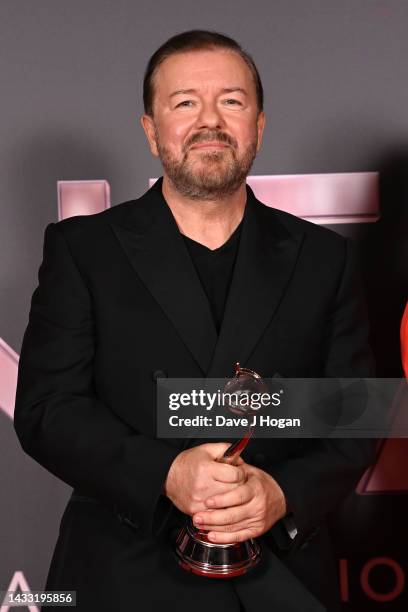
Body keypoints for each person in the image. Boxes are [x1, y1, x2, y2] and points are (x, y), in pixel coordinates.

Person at [14, 30, 376, 612]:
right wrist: (166, 474)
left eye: (231, 102)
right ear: (151, 129)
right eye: (185, 103)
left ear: (259, 125)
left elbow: (357, 411)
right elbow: (46, 409)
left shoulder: (323, 259)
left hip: (283, 579)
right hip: (122, 574)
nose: (210, 121)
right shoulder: (84, 251)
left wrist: (281, 495)